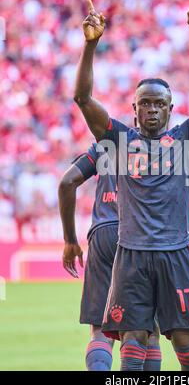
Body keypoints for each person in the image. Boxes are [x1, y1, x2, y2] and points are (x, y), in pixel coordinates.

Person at [73, 0, 189, 371]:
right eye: (146, 103)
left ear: (171, 109)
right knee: (132, 344)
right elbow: (82, 97)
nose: (152, 109)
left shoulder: (188, 138)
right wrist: (90, 46)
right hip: (131, 256)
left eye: (160, 103)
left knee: (188, 349)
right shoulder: (120, 141)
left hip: (176, 253)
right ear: (135, 108)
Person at [58, 145, 162, 371]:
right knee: (149, 331)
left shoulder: (105, 145)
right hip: (141, 235)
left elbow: (67, 182)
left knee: (101, 331)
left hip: (103, 233)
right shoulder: (159, 146)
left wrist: (70, 241)